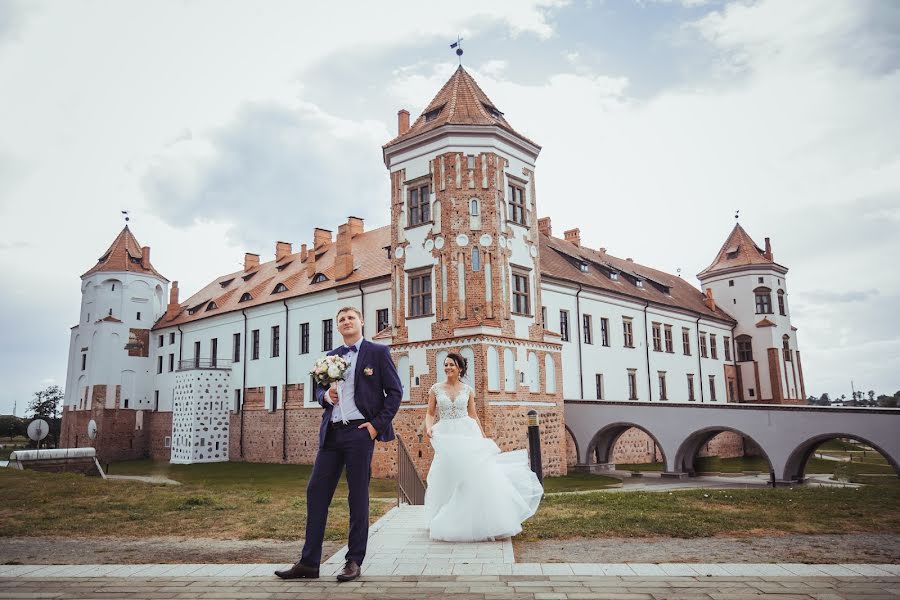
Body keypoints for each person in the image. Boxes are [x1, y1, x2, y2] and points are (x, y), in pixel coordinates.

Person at [275, 306, 402, 582]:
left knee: (357, 497)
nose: (346, 322)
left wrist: (375, 426)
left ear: (361, 322)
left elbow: (395, 392)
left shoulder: (377, 353)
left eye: (350, 318)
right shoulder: (330, 357)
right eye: (341, 319)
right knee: (316, 492)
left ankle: (353, 561)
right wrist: (326, 396)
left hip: (359, 432)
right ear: (338, 326)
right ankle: (309, 563)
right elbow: (318, 389)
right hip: (331, 434)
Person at [423, 353, 543, 542]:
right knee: (444, 474)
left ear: (460, 368)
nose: (447, 368)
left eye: (451, 365)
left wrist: (483, 436)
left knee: (471, 476)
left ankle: (474, 519)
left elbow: (473, 415)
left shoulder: (468, 390)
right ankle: (440, 516)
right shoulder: (436, 389)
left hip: (466, 432)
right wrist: (429, 428)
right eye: (445, 365)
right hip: (446, 434)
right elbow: (430, 413)